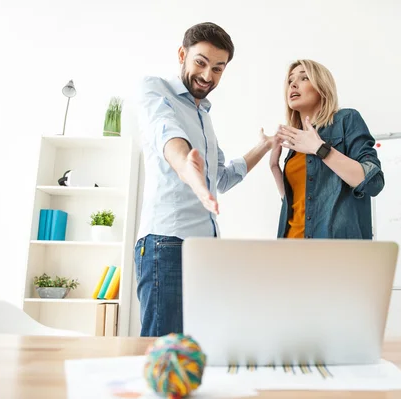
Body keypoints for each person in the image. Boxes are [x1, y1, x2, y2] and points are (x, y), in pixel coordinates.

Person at [135, 22, 273, 337]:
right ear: (182, 54)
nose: (208, 76)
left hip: (204, 248)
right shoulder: (156, 90)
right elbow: (167, 134)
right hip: (167, 243)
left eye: (218, 69)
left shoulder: (204, 117)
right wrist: (192, 175)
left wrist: (264, 147)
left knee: (197, 346)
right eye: (201, 62)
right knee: (165, 350)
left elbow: (222, 178)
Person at [270, 59, 384, 239]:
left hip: (334, 254)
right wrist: (275, 168)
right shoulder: (296, 140)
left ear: (321, 87)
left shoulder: (346, 120)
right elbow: (299, 203)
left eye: (304, 78)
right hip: (291, 251)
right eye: (290, 80)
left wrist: (320, 149)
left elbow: (374, 183)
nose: (293, 84)